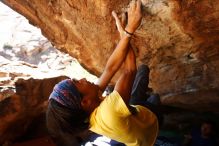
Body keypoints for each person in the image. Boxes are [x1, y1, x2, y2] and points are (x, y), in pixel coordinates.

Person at [46, 0, 159, 145]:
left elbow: (110, 68)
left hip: (134, 117)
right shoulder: (108, 112)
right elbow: (130, 70)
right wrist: (129, 29)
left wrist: (123, 34)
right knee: (151, 96)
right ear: (84, 102)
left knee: (141, 88)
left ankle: (147, 103)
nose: (82, 79)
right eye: (78, 82)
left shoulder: (90, 105)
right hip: (150, 131)